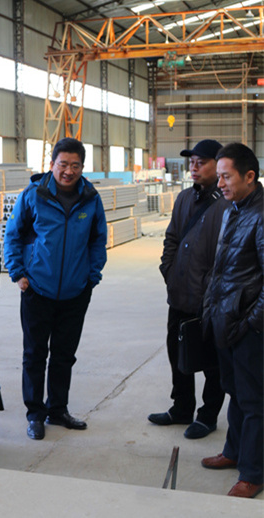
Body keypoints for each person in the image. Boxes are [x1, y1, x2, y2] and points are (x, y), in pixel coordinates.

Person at [4, 137, 107, 440]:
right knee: (34, 355)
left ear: (82, 167)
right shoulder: (34, 195)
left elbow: (98, 240)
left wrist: (92, 276)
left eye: (75, 165)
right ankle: (35, 414)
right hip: (37, 289)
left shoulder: (91, 198)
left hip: (76, 292)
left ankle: (58, 409)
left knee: (64, 355)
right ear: (52, 164)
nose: (68, 171)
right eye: (63, 164)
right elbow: (12, 235)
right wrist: (18, 273)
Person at [148, 139, 227, 439]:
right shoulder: (183, 198)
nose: (194, 167)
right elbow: (171, 238)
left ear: (218, 165)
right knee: (177, 354)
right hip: (179, 295)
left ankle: (208, 416)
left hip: (209, 301)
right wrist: (168, 272)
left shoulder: (226, 203)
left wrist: (211, 288)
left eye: (201, 162)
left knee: (211, 361)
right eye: (191, 162)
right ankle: (181, 408)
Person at [201, 143, 263, 498]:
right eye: (220, 176)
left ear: (249, 176)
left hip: (249, 328)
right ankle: (234, 452)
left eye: (226, 176)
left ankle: (253, 472)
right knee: (235, 393)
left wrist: (252, 323)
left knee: (255, 402)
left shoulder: (262, 215)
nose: (220, 183)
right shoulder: (232, 209)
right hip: (226, 321)